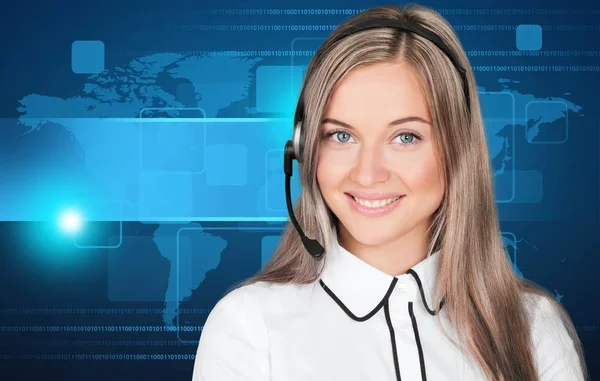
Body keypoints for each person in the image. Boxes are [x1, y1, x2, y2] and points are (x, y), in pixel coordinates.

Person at [191, 3, 588, 381]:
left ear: (458, 150)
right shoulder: (249, 327)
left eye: (405, 136)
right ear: (303, 148)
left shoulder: (534, 328)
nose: (368, 173)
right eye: (341, 135)